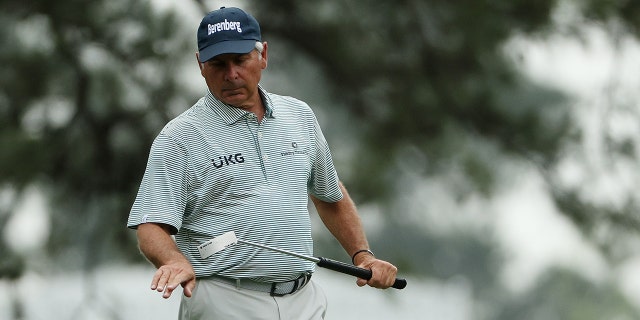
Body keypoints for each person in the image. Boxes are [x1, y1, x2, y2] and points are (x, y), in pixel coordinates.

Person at [127, 6, 399, 319]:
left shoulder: (299, 116)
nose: (231, 74)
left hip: (304, 299)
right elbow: (150, 226)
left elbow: (330, 196)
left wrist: (363, 256)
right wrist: (173, 259)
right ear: (200, 64)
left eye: (240, 60)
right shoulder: (179, 138)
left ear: (263, 55)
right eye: (218, 64)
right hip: (225, 300)